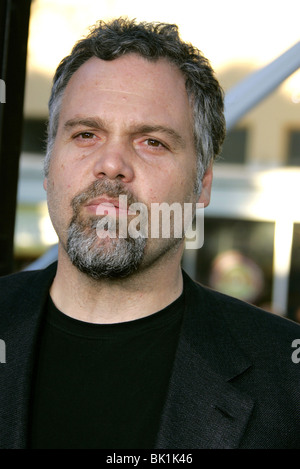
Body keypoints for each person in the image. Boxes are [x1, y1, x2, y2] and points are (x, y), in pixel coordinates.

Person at [0, 18, 299, 450]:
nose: (112, 163)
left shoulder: (288, 380)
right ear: (49, 169)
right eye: (86, 134)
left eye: (152, 141)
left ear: (202, 185)